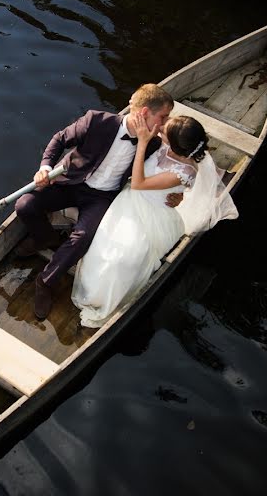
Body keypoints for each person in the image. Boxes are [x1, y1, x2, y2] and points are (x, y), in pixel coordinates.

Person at [14, 84, 181, 320]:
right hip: (70, 183)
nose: (164, 123)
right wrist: (45, 168)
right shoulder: (96, 120)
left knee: (82, 237)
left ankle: (45, 282)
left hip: (102, 197)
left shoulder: (153, 143)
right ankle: (45, 238)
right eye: (163, 117)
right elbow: (59, 140)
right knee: (24, 205)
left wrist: (176, 193)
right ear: (145, 113)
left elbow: (163, 173)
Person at [71, 114, 237, 328]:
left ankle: (106, 297)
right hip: (129, 202)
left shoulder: (185, 171)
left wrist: (142, 143)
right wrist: (180, 194)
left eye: (164, 132)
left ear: (176, 145)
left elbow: (139, 183)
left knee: (124, 258)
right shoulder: (166, 145)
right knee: (103, 245)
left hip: (152, 213)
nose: (159, 129)